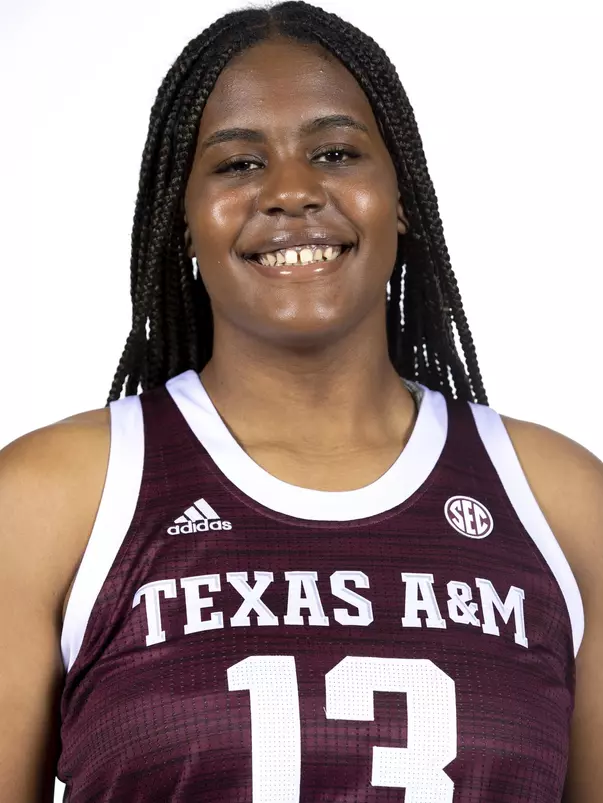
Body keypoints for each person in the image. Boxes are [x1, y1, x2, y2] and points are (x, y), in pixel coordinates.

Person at [1, 1, 601, 801]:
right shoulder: (55, 497)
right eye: (239, 164)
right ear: (181, 219)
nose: (291, 191)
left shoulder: (559, 501)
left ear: (402, 197)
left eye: (335, 152)